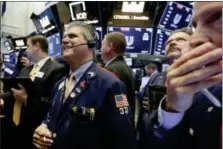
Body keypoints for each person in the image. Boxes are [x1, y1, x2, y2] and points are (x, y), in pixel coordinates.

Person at [32, 21, 137, 149]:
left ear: (90, 44)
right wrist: (43, 126)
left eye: (72, 36)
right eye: (64, 37)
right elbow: (51, 117)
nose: (64, 41)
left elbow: (124, 139)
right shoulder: (59, 85)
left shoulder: (110, 84)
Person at [139, 2, 222, 149]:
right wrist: (171, 111)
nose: (197, 40)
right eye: (168, 42)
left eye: (219, 16)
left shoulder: (212, 82)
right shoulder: (156, 78)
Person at [0, 35, 67, 149]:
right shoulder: (26, 69)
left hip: (36, 127)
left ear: (37, 46)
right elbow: (15, 90)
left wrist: (27, 99)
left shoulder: (57, 69)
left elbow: (54, 102)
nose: (25, 50)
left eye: (28, 46)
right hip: (15, 125)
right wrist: (2, 97)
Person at [101, 32, 136, 120]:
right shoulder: (123, 66)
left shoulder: (113, 70)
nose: (100, 49)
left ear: (109, 46)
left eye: (102, 45)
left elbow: (118, 102)